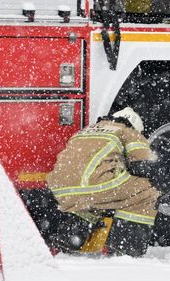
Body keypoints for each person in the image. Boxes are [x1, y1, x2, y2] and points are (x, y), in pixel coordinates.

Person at [46, 107, 159, 256]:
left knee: (93, 200)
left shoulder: (87, 130)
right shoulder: (128, 132)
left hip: (61, 189)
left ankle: (69, 240)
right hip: (94, 184)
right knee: (147, 192)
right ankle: (126, 249)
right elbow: (143, 165)